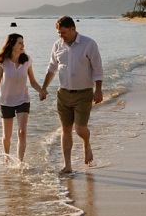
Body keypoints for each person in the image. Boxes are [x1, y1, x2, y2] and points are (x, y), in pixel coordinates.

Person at [41, 16, 104, 175]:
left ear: (73, 29)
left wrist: (98, 90)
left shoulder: (88, 44)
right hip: (63, 93)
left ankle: (86, 144)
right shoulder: (57, 45)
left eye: (63, 32)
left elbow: (97, 69)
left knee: (80, 129)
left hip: (84, 93)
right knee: (66, 129)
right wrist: (44, 88)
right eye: (58, 33)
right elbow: (52, 68)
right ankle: (67, 165)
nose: (60, 36)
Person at [0, 33, 46, 161]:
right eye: (20, 43)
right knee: (7, 136)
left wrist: (41, 91)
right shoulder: (3, 62)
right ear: (12, 45)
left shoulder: (27, 60)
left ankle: (20, 163)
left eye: (23, 42)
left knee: (21, 132)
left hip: (23, 100)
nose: (23, 45)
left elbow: (33, 81)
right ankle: (7, 160)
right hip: (6, 101)